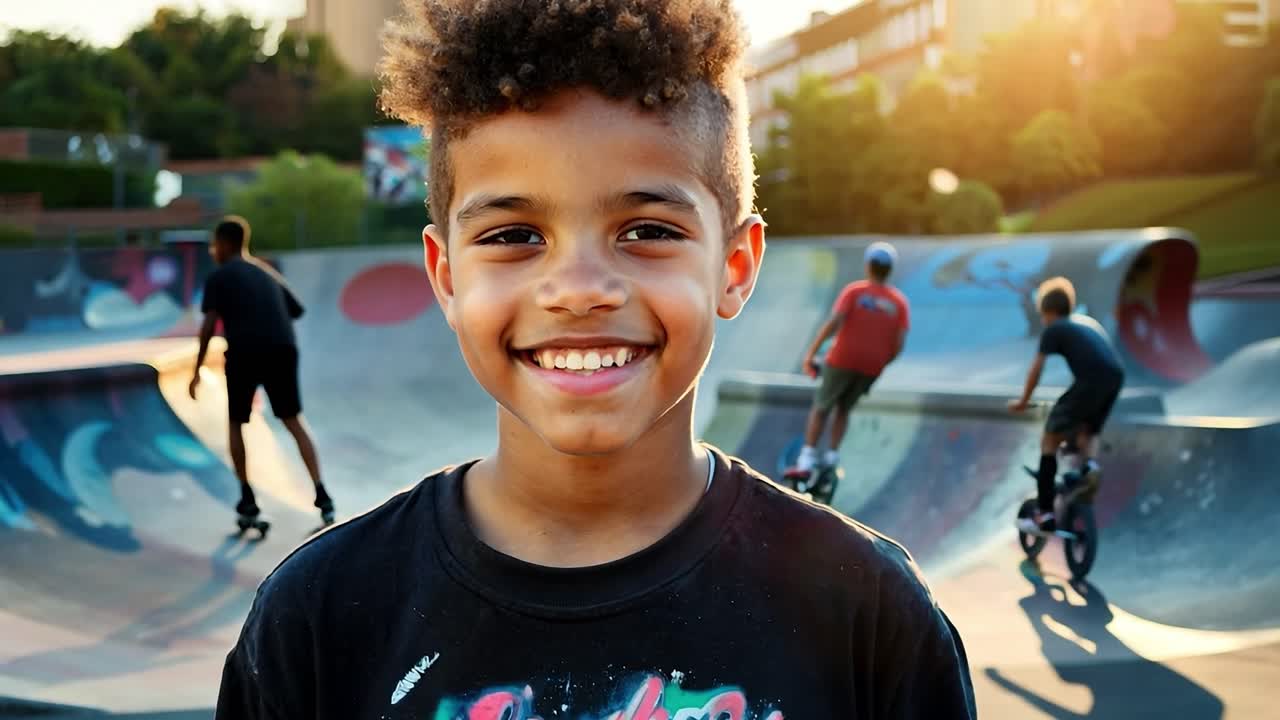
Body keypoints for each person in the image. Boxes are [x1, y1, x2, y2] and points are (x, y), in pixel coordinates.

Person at [214, 2, 974, 717]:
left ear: (735, 266)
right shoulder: (318, 620)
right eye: (514, 236)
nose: (578, 291)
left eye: (646, 229)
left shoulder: (869, 617)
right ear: (447, 277)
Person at [190, 216, 334, 527]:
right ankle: (323, 495)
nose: (213, 251)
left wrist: (197, 370)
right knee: (293, 420)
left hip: (245, 351)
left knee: (236, 422)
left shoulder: (220, 276)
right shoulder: (267, 273)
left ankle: (247, 498)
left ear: (226, 244)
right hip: (283, 348)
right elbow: (296, 310)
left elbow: (207, 326)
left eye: (215, 245)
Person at [1009, 276, 1125, 533]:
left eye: (1042, 316)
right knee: (1088, 430)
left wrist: (1023, 401)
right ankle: (1088, 470)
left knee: (1050, 440)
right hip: (1115, 377)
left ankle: (1045, 514)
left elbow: (1036, 368)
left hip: (1091, 379)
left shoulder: (1055, 328)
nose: (1043, 321)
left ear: (1047, 312)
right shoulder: (1087, 323)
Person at [789, 242, 910, 477]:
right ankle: (832, 457)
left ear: (868, 266)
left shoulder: (855, 291)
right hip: (872, 367)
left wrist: (811, 353)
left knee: (822, 407)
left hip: (842, 359)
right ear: (890, 270)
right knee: (844, 408)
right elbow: (899, 344)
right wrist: (881, 363)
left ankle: (806, 461)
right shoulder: (899, 303)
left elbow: (834, 323)